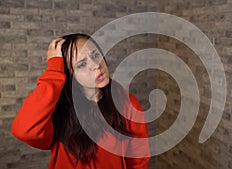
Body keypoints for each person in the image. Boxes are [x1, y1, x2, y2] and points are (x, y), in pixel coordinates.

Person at [11, 33, 150, 169]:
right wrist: (54, 70)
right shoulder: (56, 110)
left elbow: (138, 159)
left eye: (95, 55)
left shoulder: (127, 102)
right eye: (82, 64)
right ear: (68, 75)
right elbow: (24, 130)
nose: (96, 65)